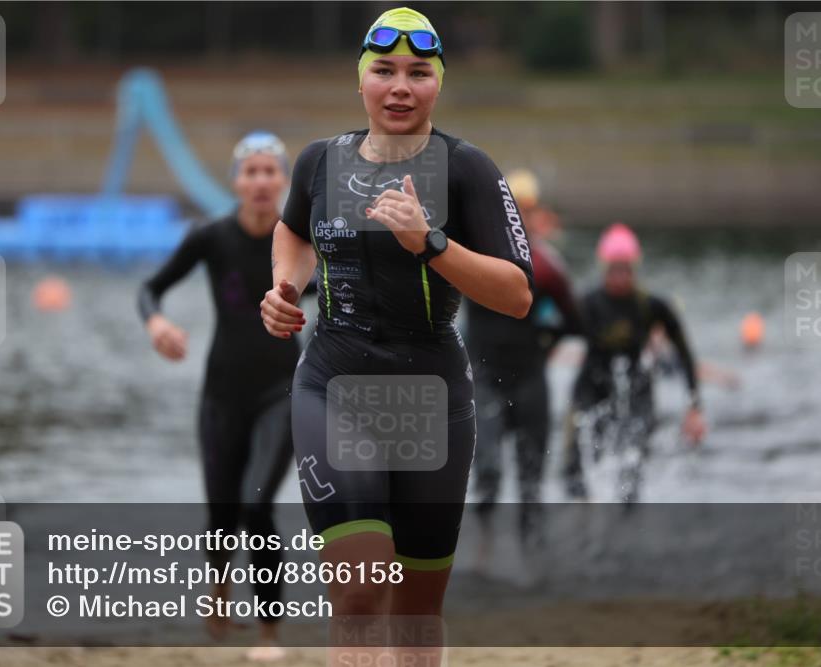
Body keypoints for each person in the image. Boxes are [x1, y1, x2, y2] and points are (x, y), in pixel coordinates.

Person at [259, 7, 533, 664]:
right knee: (357, 591)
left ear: (439, 83)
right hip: (334, 384)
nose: (400, 86)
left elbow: (517, 294)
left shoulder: (468, 169)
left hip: (432, 396)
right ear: (361, 82)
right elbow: (292, 230)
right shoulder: (319, 161)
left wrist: (430, 242)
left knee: (414, 610)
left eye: (418, 72)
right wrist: (286, 287)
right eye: (384, 71)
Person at [137, 131, 295, 661]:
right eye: (250, 172)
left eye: (269, 171)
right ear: (235, 181)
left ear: (284, 181)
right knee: (221, 512)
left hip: (282, 391)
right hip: (222, 393)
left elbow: (345, 296)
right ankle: (220, 587)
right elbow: (150, 288)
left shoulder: (300, 241)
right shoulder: (210, 237)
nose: (259, 181)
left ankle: (270, 633)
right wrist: (157, 323)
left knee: (256, 505)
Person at [466, 170, 581, 545]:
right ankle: (483, 553)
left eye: (525, 210)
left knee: (531, 480)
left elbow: (575, 321)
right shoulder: (472, 256)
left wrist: (547, 346)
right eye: (509, 208)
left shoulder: (547, 267)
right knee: (489, 470)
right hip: (485, 378)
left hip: (531, 378)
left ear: (535, 215)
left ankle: (532, 563)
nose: (517, 217)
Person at [561, 223, 707, 503]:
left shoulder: (651, 306)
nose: (619, 277)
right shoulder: (586, 304)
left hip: (637, 391)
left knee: (632, 468)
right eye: (613, 269)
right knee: (578, 468)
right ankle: (584, 523)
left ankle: (627, 524)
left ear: (635, 268)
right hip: (593, 390)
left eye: (625, 269)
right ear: (603, 268)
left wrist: (695, 407)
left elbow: (685, 353)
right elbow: (551, 336)